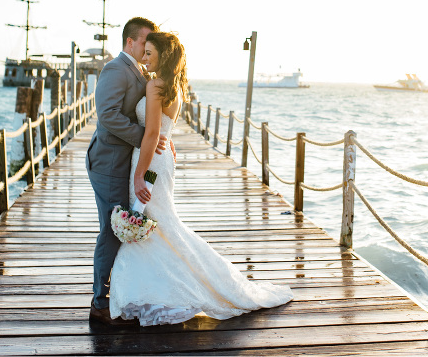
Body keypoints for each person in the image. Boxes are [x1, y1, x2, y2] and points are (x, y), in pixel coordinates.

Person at [109, 32, 293, 325]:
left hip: (150, 160)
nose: (144, 59)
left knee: (154, 220)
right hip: (163, 158)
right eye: (144, 53)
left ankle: (165, 290)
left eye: (149, 54)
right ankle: (154, 291)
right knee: (158, 223)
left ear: (163, 56)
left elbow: (153, 133)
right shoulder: (176, 87)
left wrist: (139, 175)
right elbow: (164, 131)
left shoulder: (156, 85)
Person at [86, 17, 174, 325]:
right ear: (130, 42)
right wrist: (145, 137)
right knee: (111, 229)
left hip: (128, 161)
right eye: (144, 44)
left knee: (123, 227)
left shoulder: (139, 71)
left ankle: (123, 292)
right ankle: (99, 302)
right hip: (109, 163)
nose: (148, 50)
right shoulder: (114, 69)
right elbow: (107, 115)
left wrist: (162, 136)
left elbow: (153, 117)